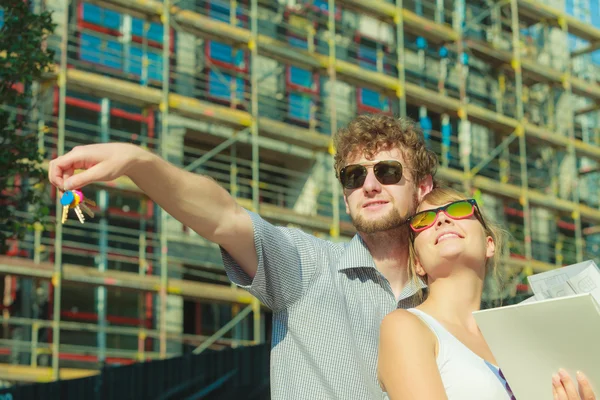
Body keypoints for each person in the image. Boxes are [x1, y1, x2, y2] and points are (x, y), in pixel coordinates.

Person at [48, 115, 437, 399]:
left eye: (387, 171)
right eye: (354, 176)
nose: (369, 185)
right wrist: (139, 162)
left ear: (422, 186)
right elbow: (224, 217)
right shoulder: (309, 266)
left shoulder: (442, 298)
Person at [377, 187, 596, 400]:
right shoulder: (405, 326)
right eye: (423, 220)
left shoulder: (518, 340)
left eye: (459, 208)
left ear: (489, 245)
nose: (442, 220)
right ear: (417, 263)